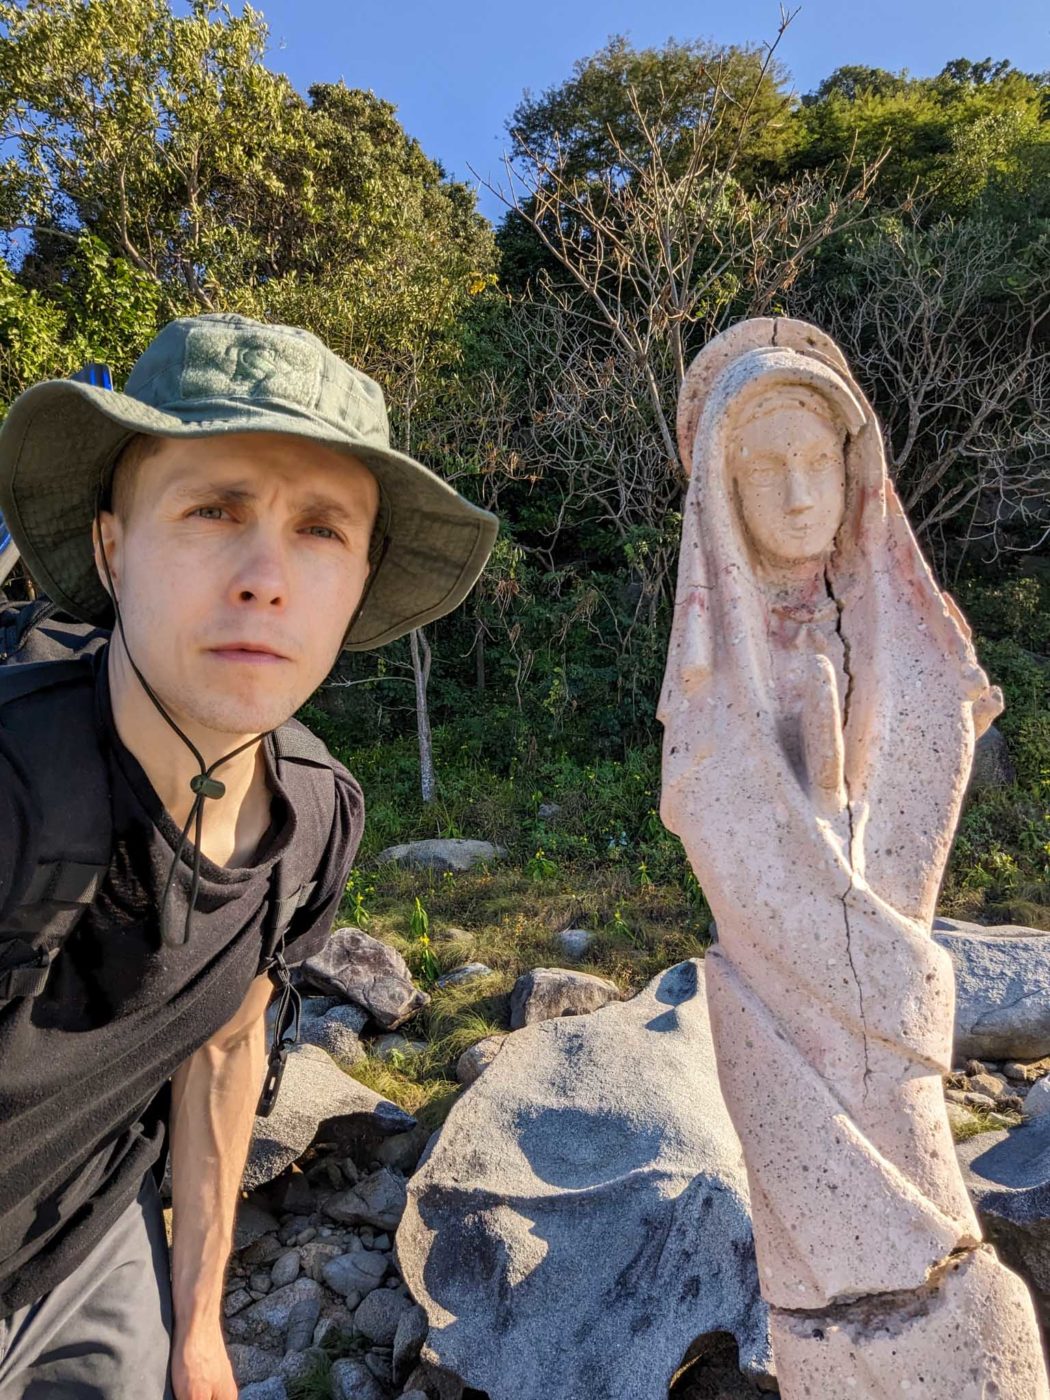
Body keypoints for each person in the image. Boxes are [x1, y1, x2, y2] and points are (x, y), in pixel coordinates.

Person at [0, 312, 498, 1399]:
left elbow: (224, 1045)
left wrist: (197, 1325)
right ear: (111, 545)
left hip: (92, 1241)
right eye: (215, 507)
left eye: (322, 529)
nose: (266, 575)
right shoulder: (15, 785)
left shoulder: (313, 817)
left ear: (360, 582)